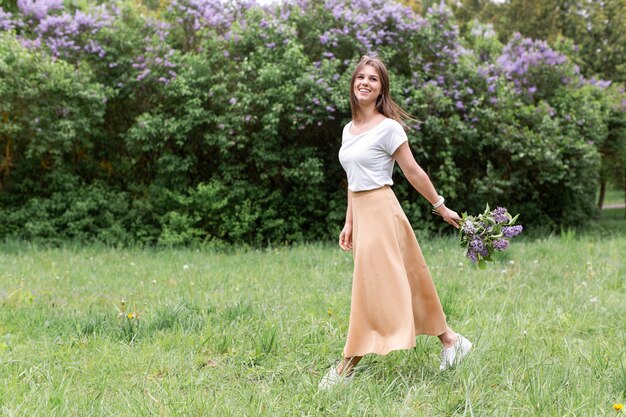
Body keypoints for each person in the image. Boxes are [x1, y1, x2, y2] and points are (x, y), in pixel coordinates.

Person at [319, 56, 472, 389]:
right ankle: (451, 341)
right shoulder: (348, 129)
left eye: (373, 79)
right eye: (360, 76)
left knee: (372, 289)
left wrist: (441, 206)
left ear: (381, 89)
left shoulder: (389, 128)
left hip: (382, 212)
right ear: (353, 83)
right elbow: (353, 179)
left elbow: (413, 171)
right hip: (362, 213)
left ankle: (346, 367)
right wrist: (349, 223)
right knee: (405, 281)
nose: (365, 82)